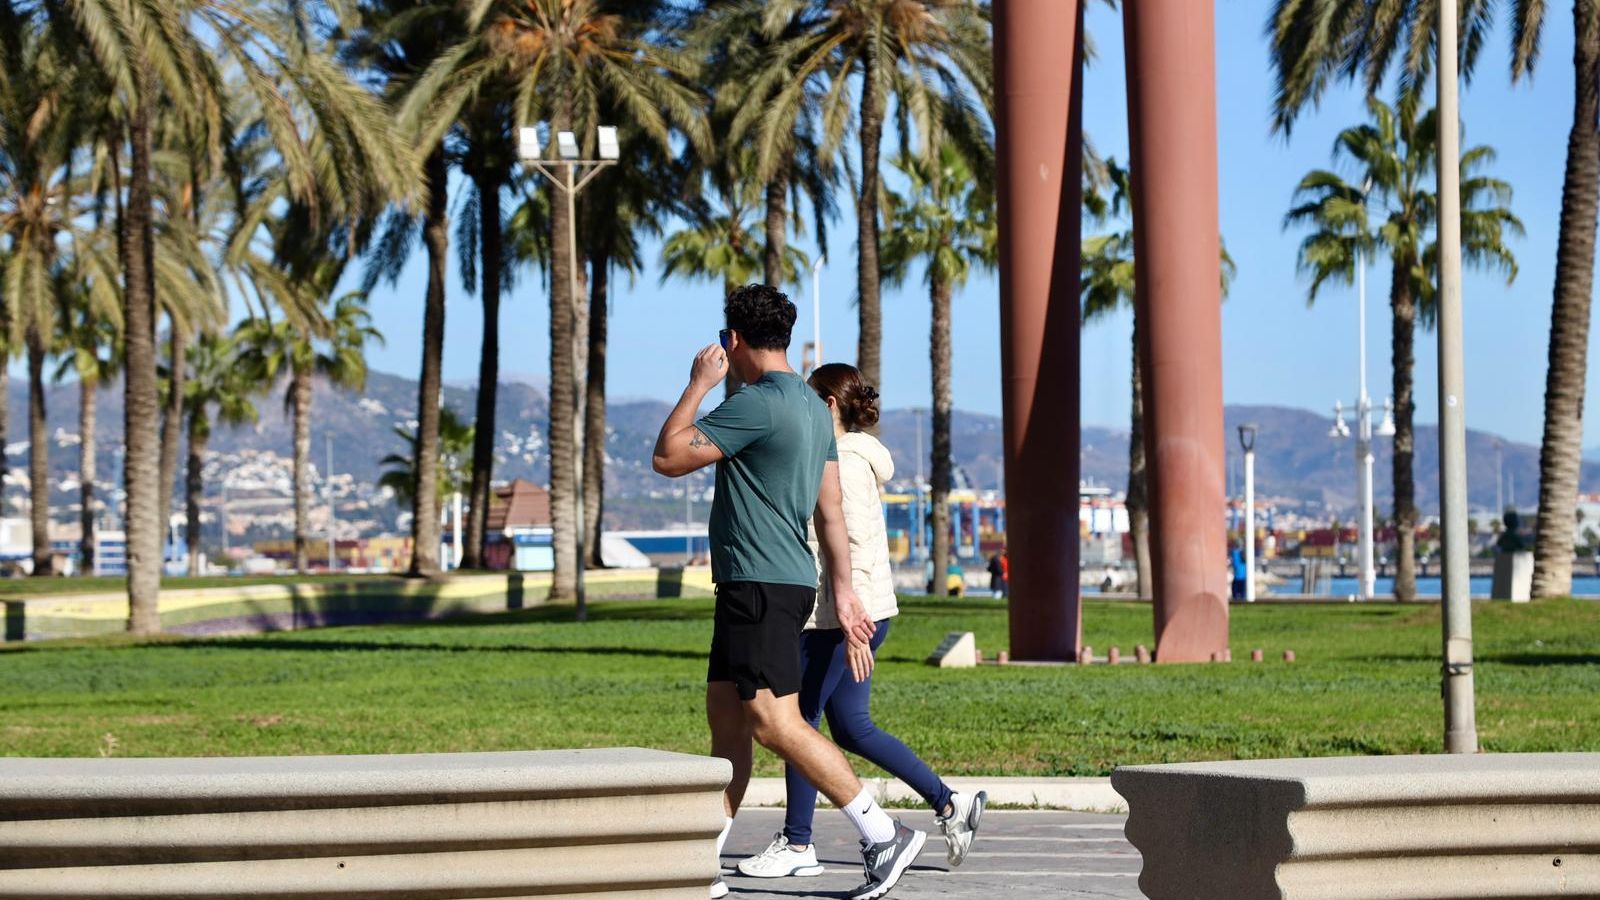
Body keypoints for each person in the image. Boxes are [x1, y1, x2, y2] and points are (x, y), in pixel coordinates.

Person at [651, 285, 924, 900]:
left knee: (775, 722)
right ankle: (703, 864)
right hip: (776, 582)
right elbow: (830, 513)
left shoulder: (757, 404)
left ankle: (882, 834)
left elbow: (667, 457)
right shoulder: (807, 404)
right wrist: (846, 592)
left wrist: (698, 383)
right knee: (727, 720)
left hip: (759, 584)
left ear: (735, 340)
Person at [736, 363, 987, 883]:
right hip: (858, 613)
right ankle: (951, 804)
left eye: (808, 401)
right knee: (851, 726)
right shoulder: (850, 459)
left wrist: (852, 624)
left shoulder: (845, 464)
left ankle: (798, 842)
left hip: (843, 617)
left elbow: (850, 550)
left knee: (797, 721)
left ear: (828, 406)